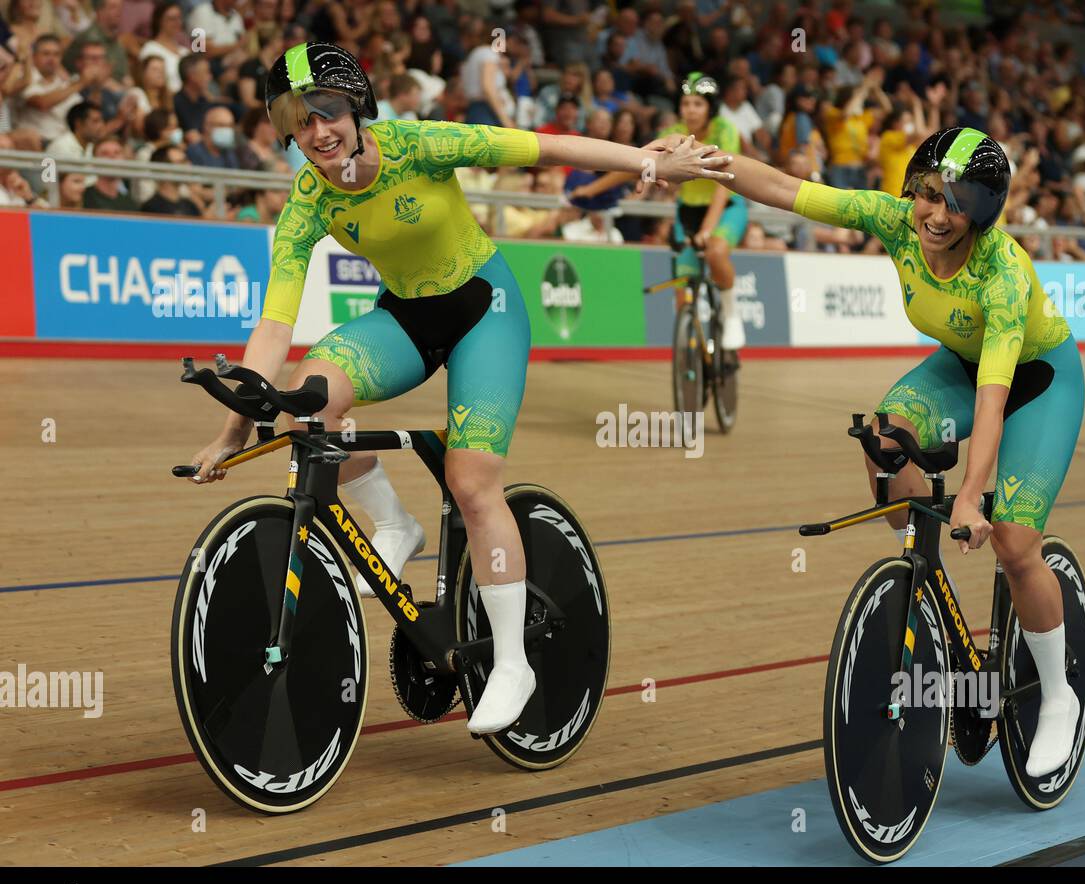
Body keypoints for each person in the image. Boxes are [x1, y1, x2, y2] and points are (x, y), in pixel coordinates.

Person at [187, 42, 730, 736]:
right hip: (407, 318)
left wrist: (653, 163)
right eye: (299, 119)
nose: (317, 132)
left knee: (471, 482)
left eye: (327, 111)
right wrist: (235, 427)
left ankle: (512, 662)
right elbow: (274, 322)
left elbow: (542, 145)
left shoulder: (420, 143)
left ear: (358, 108)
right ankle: (395, 523)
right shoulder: (308, 199)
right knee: (306, 404)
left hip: (485, 312)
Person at [705, 126, 1085, 777]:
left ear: (983, 213)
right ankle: (922, 579)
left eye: (955, 203)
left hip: (1037, 381)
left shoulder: (1002, 274)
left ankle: (1058, 697)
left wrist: (970, 497)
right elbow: (788, 191)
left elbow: (994, 398)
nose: (936, 215)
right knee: (884, 436)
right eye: (928, 196)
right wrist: (711, 163)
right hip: (962, 367)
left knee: (1016, 546)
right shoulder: (896, 221)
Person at [571, 73, 747, 349]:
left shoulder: (724, 129)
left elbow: (724, 183)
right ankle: (690, 353)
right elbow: (637, 165)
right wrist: (590, 191)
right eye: (686, 103)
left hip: (725, 208)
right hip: (688, 210)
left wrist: (707, 229)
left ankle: (732, 315)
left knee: (715, 251)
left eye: (698, 104)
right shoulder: (674, 133)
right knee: (682, 286)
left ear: (710, 108)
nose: (690, 109)